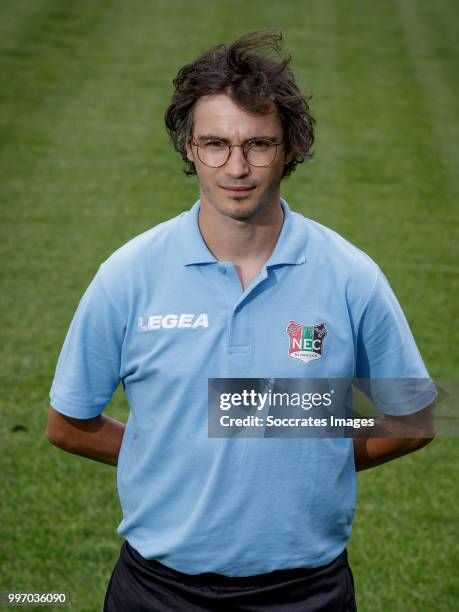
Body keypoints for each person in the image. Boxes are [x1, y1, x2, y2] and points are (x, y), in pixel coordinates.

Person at [47, 31, 436, 611]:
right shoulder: (127, 275)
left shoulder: (352, 275)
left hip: (306, 593)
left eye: (258, 144)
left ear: (289, 148)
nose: (237, 167)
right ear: (188, 148)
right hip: (157, 592)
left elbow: (416, 418)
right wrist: (167, 451)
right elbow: (66, 424)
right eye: (215, 144)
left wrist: (316, 448)